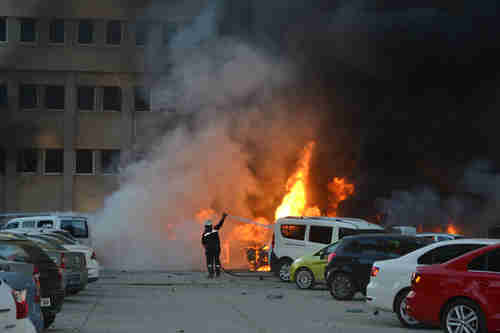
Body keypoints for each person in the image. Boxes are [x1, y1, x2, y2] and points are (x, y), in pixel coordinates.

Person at [202, 212, 228, 278]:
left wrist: (223, 218)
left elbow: (203, 242)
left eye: (206, 226)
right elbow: (220, 224)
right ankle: (216, 273)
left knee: (210, 262)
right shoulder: (214, 230)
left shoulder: (206, 232)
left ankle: (212, 274)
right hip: (215, 249)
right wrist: (223, 217)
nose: (206, 228)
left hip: (211, 250)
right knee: (215, 262)